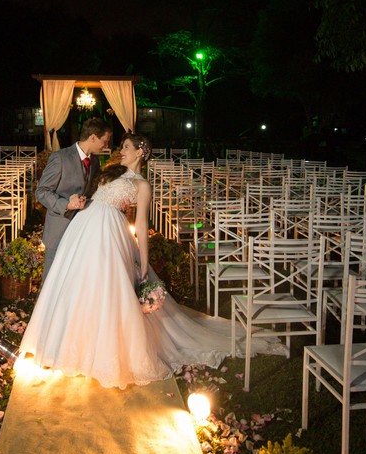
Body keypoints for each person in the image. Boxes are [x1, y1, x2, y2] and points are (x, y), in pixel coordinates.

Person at [19, 133, 281, 389]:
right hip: (83, 227)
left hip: (108, 232)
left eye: (125, 147)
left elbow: (141, 225)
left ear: (140, 152)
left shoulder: (142, 184)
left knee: (105, 286)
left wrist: (143, 264)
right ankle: (67, 342)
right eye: (120, 146)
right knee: (74, 283)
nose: (120, 151)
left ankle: (101, 349)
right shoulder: (112, 170)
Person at [35, 118, 112, 272]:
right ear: (92, 138)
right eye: (105, 141)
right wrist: (66, 204)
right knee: (52, 279)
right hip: (59, 229)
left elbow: (92, 191)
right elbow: (41, 191)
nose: (107, 146)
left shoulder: (95, 162)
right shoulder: (60, 158)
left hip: (83, 230)